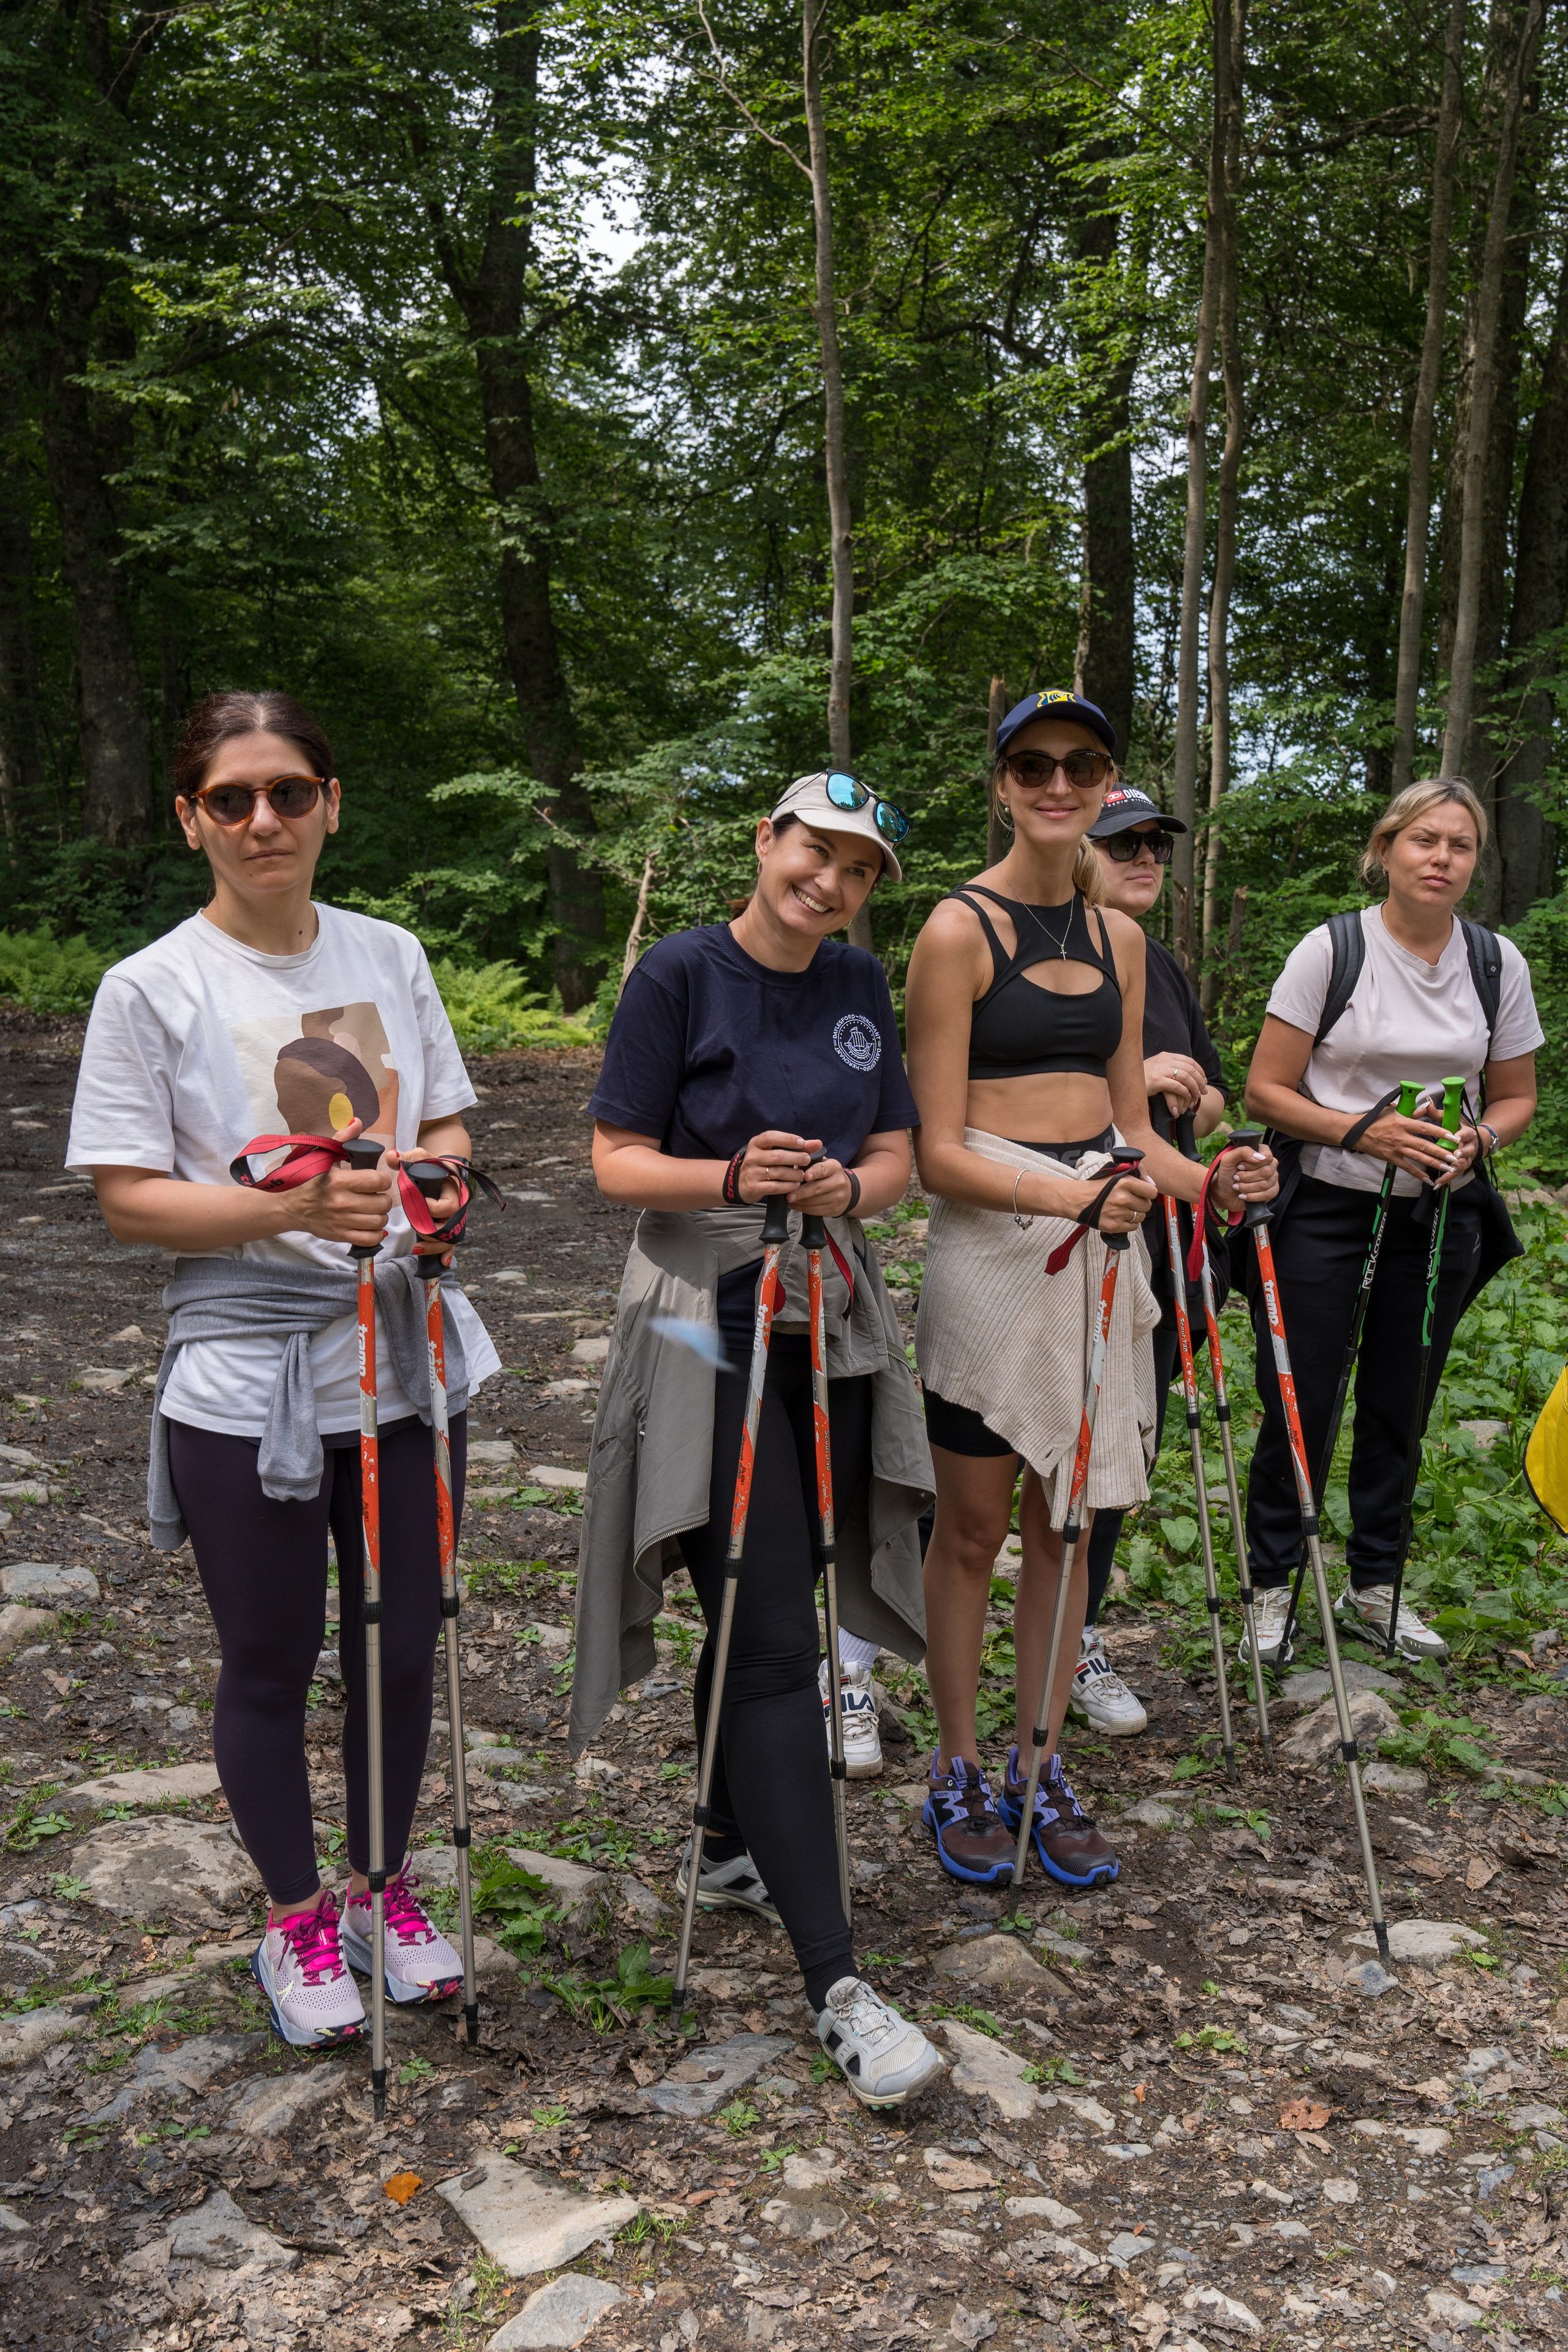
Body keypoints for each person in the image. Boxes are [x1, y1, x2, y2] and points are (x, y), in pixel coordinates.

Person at [64, 690, 501, 2049]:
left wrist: (437, 1185)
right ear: (193, 817)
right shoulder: (153, 985)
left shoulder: (389, 950)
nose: (266, 820)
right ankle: (296, 1913)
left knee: (406, 1639)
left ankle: (383, 1887)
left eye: (291, 792)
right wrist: (292, 1213)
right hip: (243, 1375)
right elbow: (130, 1201)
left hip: (401, 1358)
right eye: (234, 798)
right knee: (270, 1657)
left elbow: (444, 1119)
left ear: (329, 803)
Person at [573, 772, 944, 2108]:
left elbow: (898, 1154)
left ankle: (727, 1839)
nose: (830, 881)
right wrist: (733, 1178)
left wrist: (854, 1185)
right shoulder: (679, 973)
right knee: (773, 1628)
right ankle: (836, 1983)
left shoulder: (855, 984)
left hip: (826, 1313)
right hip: (698, 1317)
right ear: (765, 844)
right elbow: (615, 1160)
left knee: (761, 1598)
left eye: (857, 867)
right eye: (814, 851)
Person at [905, 692, 1276, 1891]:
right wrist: (1073, 1198)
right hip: (996, 1246)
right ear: (1002, 783)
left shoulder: (1122, 946)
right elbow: (934, 1146)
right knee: (970, 1529)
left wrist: (1209, 1179)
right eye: (1032, 764)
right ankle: (956, 1765)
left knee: (1067, 1523)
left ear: (1102, 778)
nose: (1056, 783)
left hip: (1102, 1242)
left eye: (1080, 764)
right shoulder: (954, 932)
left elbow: (1132, 1132)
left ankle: (1036, 1760)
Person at [1240, 777, 1541, 1665]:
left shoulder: (1496, 963)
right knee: (1302, 1403)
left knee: (1399, 1405)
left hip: (1438, 1212)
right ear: (1387, 849)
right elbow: (1264, 1089)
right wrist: (1360, 1131)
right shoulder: (1333, 951)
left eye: (1460, 846)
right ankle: (1272, 1585)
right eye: (1424, 841)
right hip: (1326, 1207)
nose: (1441, 858)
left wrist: (1479, 1139)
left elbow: (1517, 1095)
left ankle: (1378, 1585)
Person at [1074, 784, 1228, 1737]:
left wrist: (1187, 1089)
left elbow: (1203, 1105)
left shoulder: (1157, 962)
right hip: (1051, 1232)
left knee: (1125, 1446)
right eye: (1122, 842)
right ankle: (869, 1648)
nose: (1144, 858)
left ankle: (1077, 1639)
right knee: (984, 1458)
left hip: (1158, 1242)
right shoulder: (1036, 945)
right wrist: (1132, 1080)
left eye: (1155, 844)